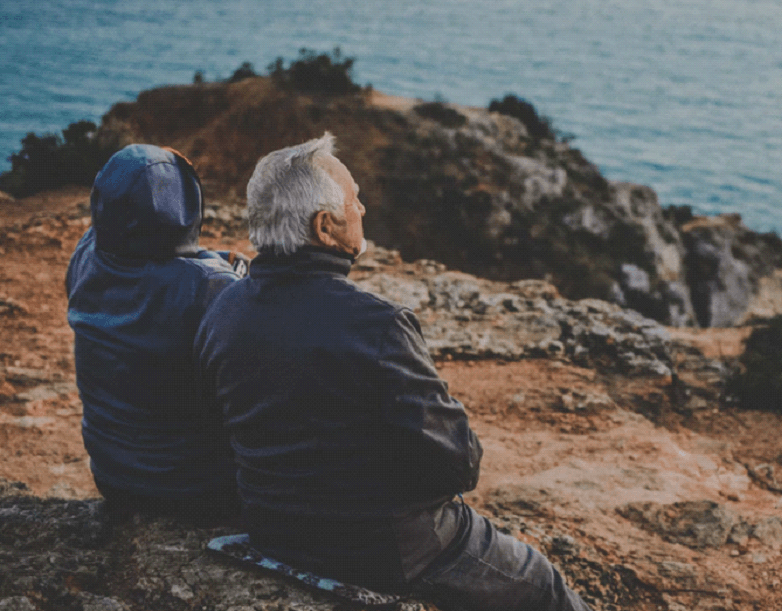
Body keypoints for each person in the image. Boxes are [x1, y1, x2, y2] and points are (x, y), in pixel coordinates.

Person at [196, 134, 592, 611]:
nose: (363, 207)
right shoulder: (377, 325)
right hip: (386, 549)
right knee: (544, 585)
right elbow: (459, 463)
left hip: (271, 529)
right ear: (325, 227)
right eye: (355, 199)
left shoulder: (224, 309)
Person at [66, 144, 245, 520]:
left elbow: (152, 255)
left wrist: (211, 258)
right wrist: (231, 270)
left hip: (112, 476)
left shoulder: (86, 254)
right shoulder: (211, 288)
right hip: (194, 490)